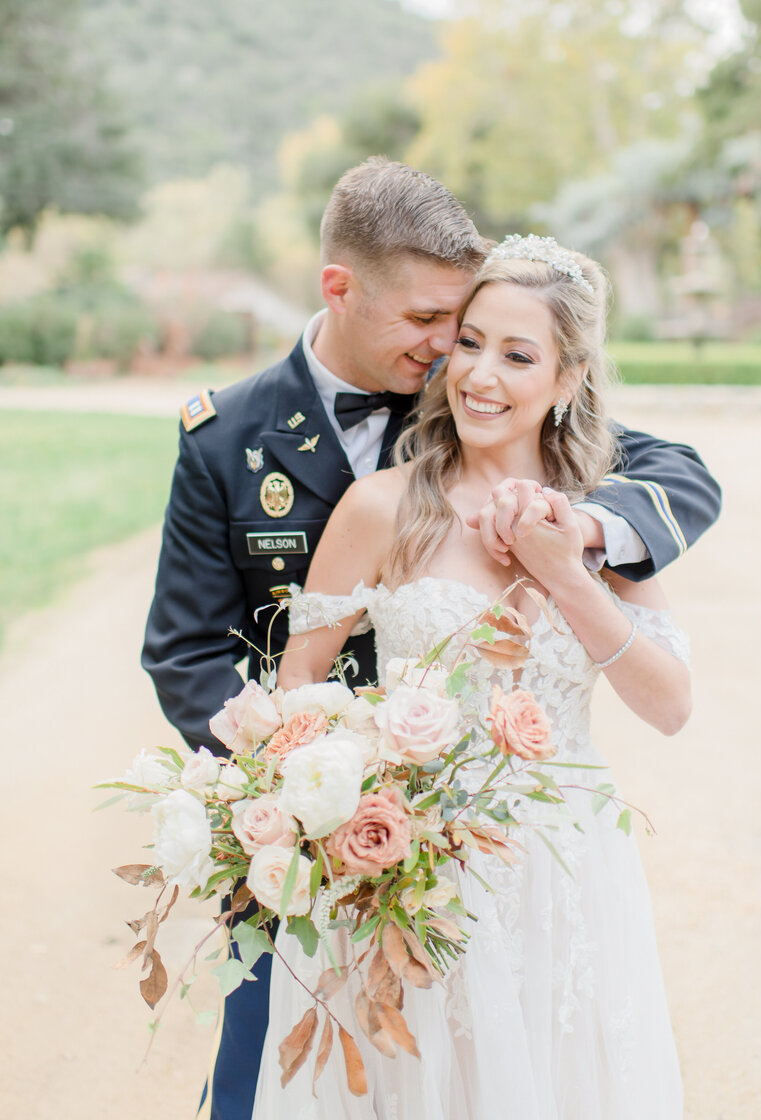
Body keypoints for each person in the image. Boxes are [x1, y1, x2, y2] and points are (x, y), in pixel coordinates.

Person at [142, 160, 720, 1120]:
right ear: (342, 290)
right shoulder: (228, 437)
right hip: (350, 831)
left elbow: (675, 479)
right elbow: (194, 655)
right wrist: (305, 804)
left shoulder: (541, 439)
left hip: (554, 862)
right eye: (440, 331)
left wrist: (575, 544)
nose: (462, 358)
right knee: (289, 1081)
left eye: (489, 341)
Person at [254, 234, 693, 1119]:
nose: (481, 376)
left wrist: (566, 570)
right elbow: (296, 687)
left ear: (568, 380)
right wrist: (346, 797)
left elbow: (671, 705)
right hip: (411, 868)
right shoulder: (382, 507)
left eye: (518, 354)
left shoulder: (613, 522)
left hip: (565, 875)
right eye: (470, 342)